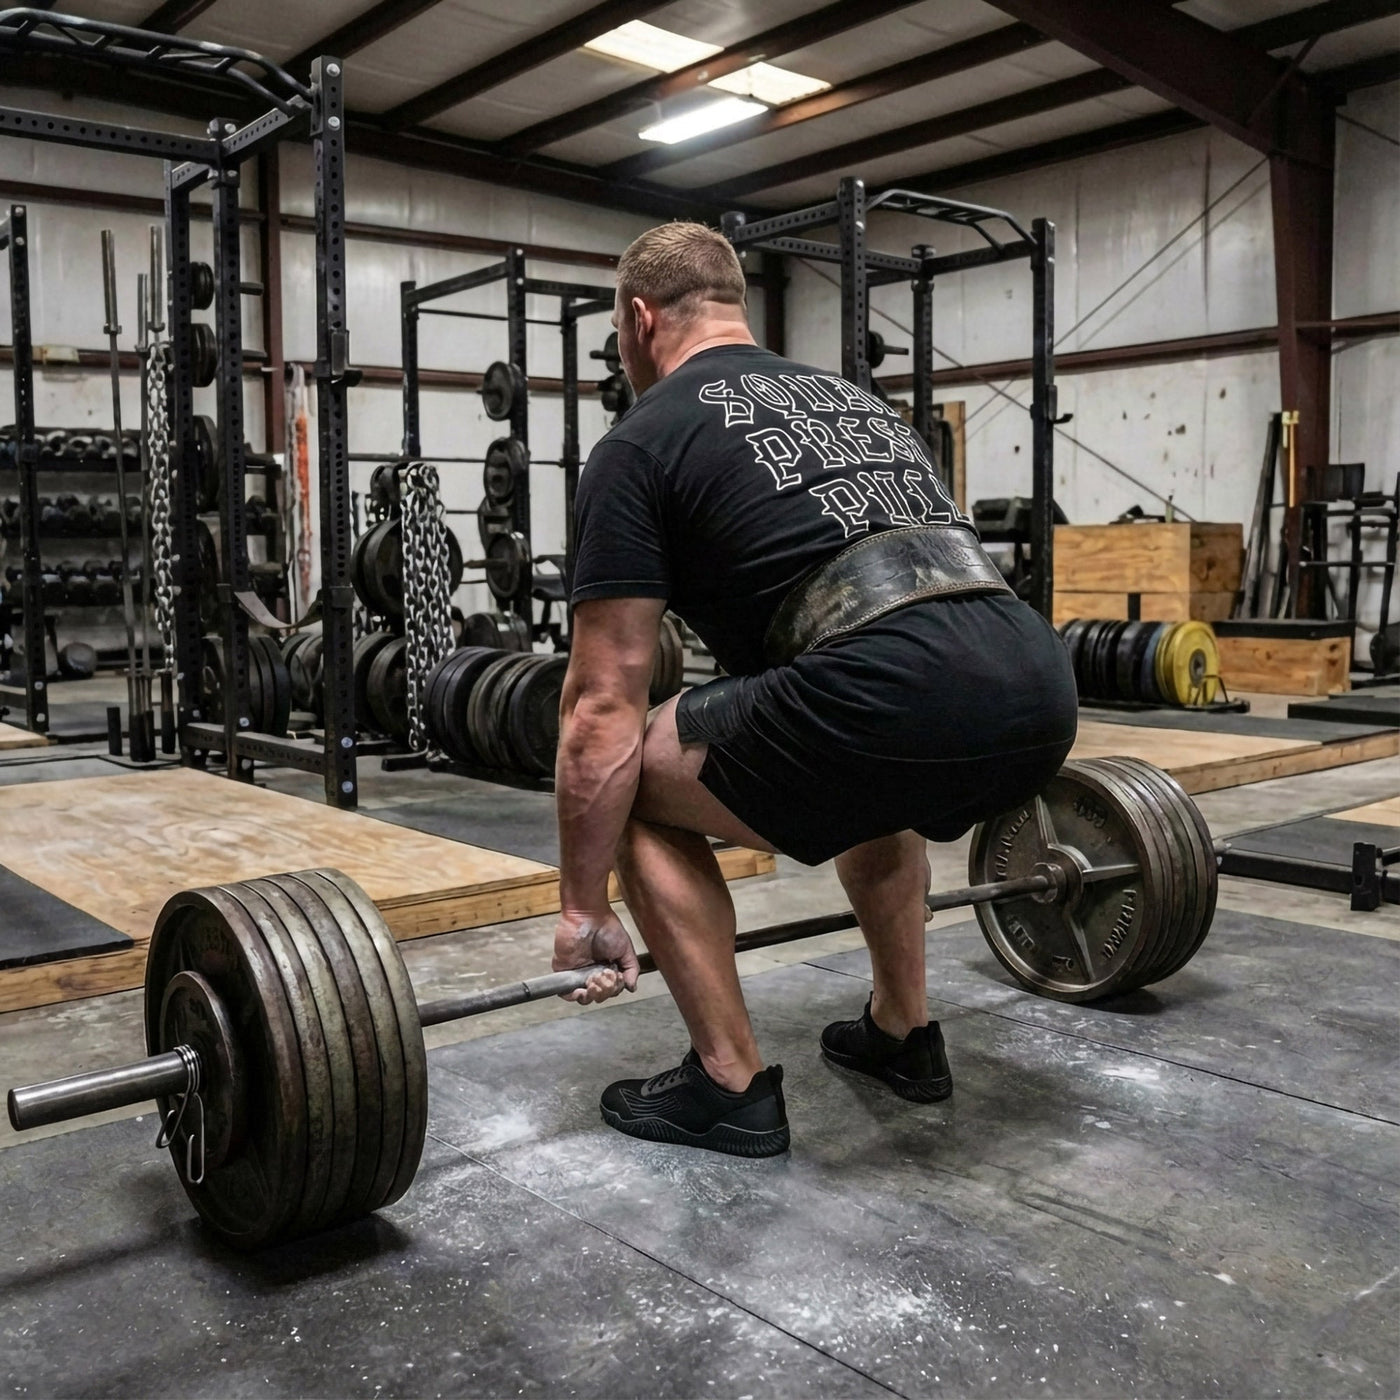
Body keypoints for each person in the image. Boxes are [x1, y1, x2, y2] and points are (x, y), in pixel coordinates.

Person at [552, 221, 1077, 1158]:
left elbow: (601, 707)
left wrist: (583, 911)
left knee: (630, 773)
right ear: (733, 305)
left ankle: (728, 1085)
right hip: (1039, 690)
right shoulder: (857, 403)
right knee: (873, 761)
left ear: (639, 321)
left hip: (888, 694)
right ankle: (903, 1034)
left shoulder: (640, 442)